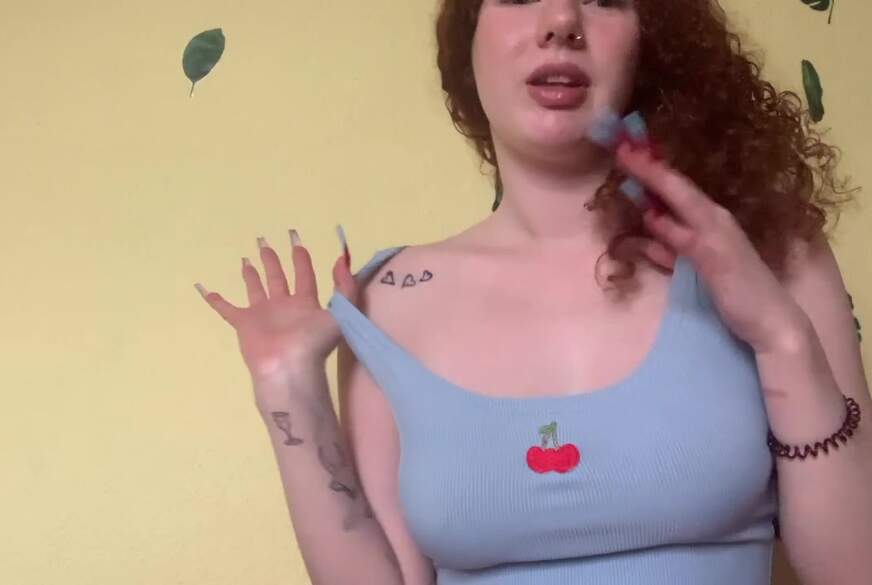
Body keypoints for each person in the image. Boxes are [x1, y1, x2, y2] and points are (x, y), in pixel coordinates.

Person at [196, 1, 862, 584]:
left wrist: (780, 337)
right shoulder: (386, 298)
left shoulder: (765, 249)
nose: (562, 20)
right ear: (467, 42)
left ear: (649, 41)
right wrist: (288, 388)